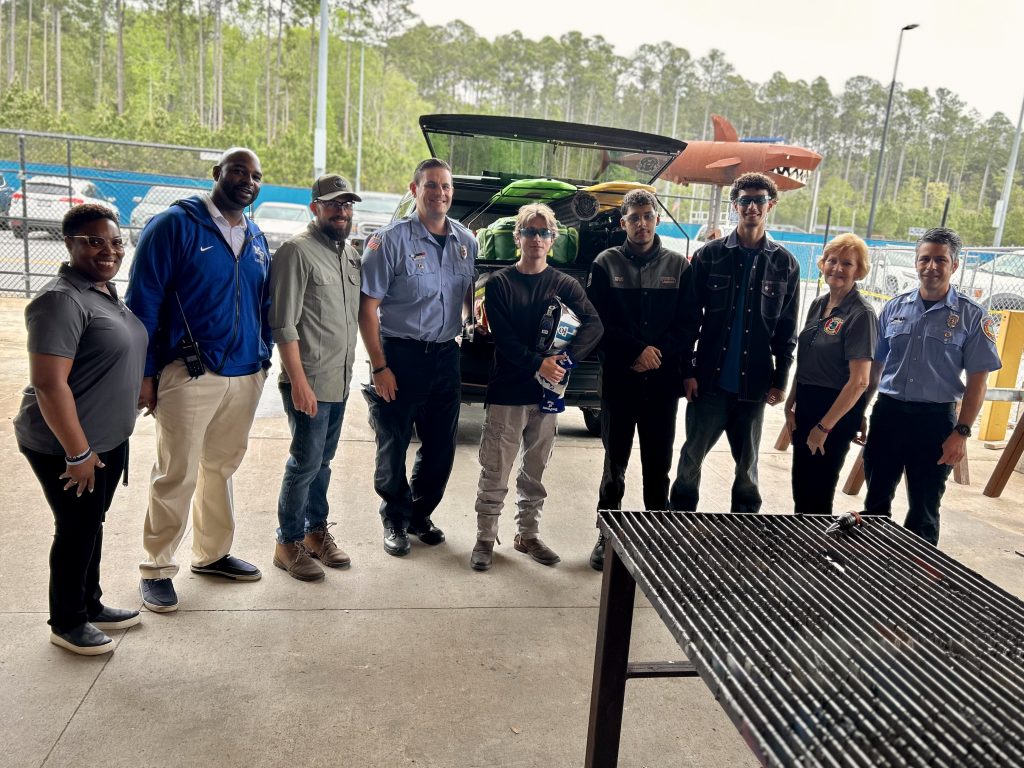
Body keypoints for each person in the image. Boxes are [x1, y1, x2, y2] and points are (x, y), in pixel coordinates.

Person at [126, 147, 272, 612]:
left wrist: (263, 354)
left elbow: (261, 302)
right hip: (189, 372)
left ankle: (212, 554)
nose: (247, 180)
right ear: (216, 175)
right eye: (238, 171)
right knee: (176, 470)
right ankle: (157, 565)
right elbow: (143, 303)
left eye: (255, 175)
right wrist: (144, 374)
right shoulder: (175, 226)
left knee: (221, 467)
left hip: (245, 371)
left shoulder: (257, 237)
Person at [15, 204, 147, 654]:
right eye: (94, 241)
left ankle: (89, 603)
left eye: (114, 242)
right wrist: (77, 452)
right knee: (75, 527)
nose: (108, 250)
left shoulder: (102, 292)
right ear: (69, 244)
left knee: (91, 523)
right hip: (66, 445)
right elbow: (50, 385)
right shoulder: (61, 300)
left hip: (105, 438)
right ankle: (67, 621)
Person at [470, 203, 602, 571]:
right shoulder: (499, 284)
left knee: (535, 471)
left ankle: (527, 535)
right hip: (508, 392)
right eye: (530, 231)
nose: (537, 239)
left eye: (544, 233)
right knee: (495, 469)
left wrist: (566, 360)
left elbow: (594, 325)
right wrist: (539, 363)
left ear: (553, 240)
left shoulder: (564, 284)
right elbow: (506, 341)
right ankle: (484, 538)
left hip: (547, 397)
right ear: (518, 238)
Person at [359, 158, 477, 557]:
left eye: (445, 186)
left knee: (441, 445)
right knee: (393, 441)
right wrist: (380, 366)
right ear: (414, 190)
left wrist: (474, 313)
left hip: (446, 354)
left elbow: (465, 295)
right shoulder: (389, 240)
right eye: (430, 185)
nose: (439, 193)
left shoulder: (466, 241)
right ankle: (394, 516)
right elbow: (368, 308)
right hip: (401, 353)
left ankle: (419, 514)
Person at [670, 172, 800, 513]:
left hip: (753, 387)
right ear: (735, 206)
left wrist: (781, 380)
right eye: (745, 200)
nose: (751, 207)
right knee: (690, 462)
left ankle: (743, 533)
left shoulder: (785, 264)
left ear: (770, 205)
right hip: (709, 381)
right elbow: (688, 321)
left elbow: (786, 329)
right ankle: (677, 524)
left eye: (759, 200)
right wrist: (687, 371)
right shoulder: (709, 256)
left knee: (748, 471)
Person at [863, 227, 1001, 545]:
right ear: (916, 263)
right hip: (888, 415)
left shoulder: (972, 315)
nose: (931, 266)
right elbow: (875, 367)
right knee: (875, 504)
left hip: (935, 422)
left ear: (954, 265)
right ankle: (868, 572)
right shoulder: (894, 308)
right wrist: (861, 410)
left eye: (941, 259)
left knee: (924, 510)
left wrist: (961, 433)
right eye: (925, 259)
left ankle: (919, 582)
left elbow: (978, 381)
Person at [586, 189, 689, 571]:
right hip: (620, 382)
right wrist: (635, 352)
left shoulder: (679, 266)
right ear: (622, 222)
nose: (642, 223)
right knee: (615, 464)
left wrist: (656, 355)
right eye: (634, 217)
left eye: (648, 215)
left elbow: (687, 323)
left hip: (662, 386)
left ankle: (654, 536)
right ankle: (606, 535)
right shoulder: (605, 263)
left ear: (657, 219)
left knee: (657, 465)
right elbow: (598, 321)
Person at [267, 175, 362, 581]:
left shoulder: (350, 255)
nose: (342, 212)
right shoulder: (296, 252)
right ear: (314, 208)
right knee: (304, 463)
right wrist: (299, 381)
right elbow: (283, 324)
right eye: (332, 204)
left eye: (347, 205)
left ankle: (314, 534)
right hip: (308, 383)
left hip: (338, 381)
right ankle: (286, 543)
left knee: (322, 462)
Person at [784, 234, 877, 515]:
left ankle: (817, 552)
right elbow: (807, 359)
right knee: (801, 483)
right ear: (822, 265)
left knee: (819, 487)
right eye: (832, 261)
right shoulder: (818, 304)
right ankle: (802, 544)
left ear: (859, 270)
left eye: (847, 263)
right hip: (807, 401)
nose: (837, 268)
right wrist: (790, 405)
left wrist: (824, 427)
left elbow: (860, 380)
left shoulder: (861, 314)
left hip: (834, 409)